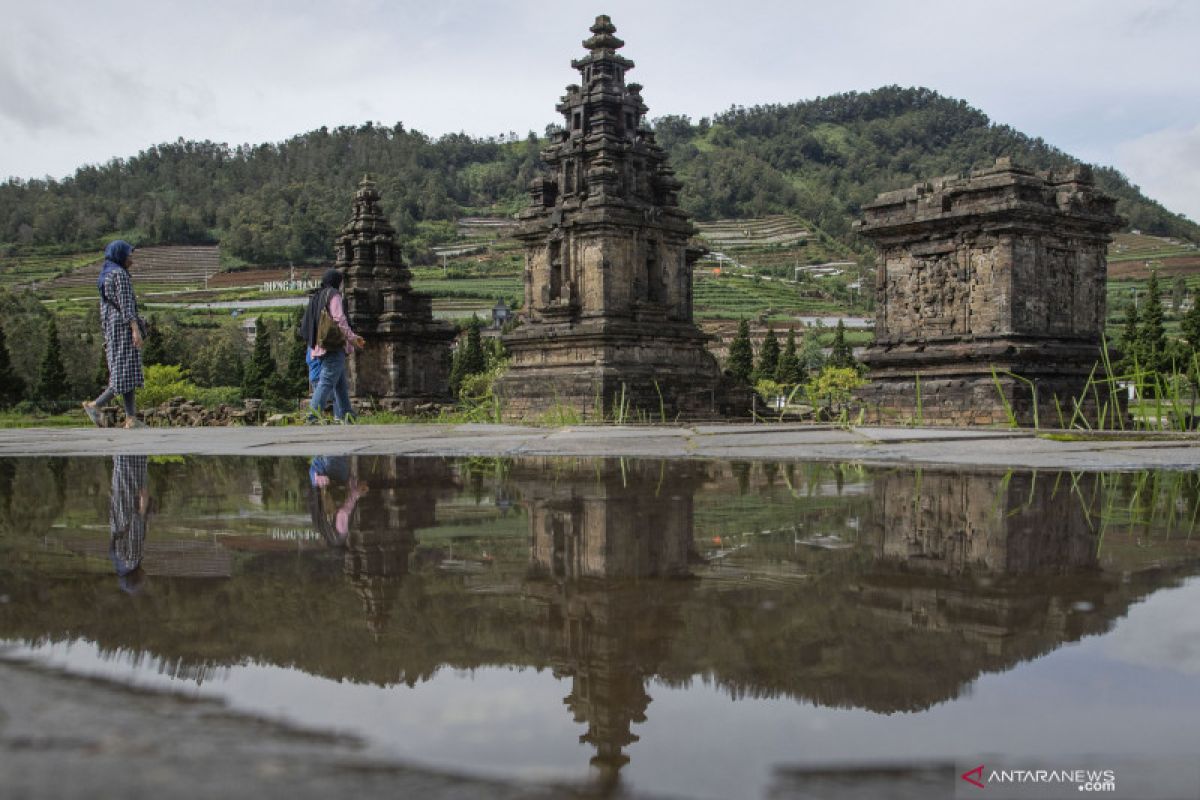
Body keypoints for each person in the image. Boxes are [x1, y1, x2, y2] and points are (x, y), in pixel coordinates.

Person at [83, 240, 147, 429]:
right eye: (128, 256)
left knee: (127, 373)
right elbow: (127, 306)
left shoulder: (106, 276)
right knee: (123, 373)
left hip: (112, 328)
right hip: (124, 327)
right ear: (120, 255)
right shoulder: (120, 275)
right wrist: (135, 330)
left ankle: (131, 418)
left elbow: (104, 310)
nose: (131, 260)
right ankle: (96, 405)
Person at [299, 269, 365, 423]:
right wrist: (353, 338)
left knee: (340, 384)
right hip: (333, 346)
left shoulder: (317, 296)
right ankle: (313, 415)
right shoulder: (333, 295)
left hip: (319, 346)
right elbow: (339, 319)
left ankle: (347, 414)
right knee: (327, 381)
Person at [108, 454, 150, 593]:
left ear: (136, 578)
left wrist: (142, 508)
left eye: (142, 580)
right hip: (118, 510)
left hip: (129, 508)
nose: (145, 578)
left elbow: (135, 533)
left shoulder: (132, 561)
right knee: (121, 469)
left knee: (133, 464)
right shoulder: (118, 561)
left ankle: (129, 437)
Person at [307, 455, 368, 546]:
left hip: (328, 472)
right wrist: (357, 490)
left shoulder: (332, 526)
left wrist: (317, 479)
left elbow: (347, 505)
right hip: (335, 474)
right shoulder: (333, 528)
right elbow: (348, 504)